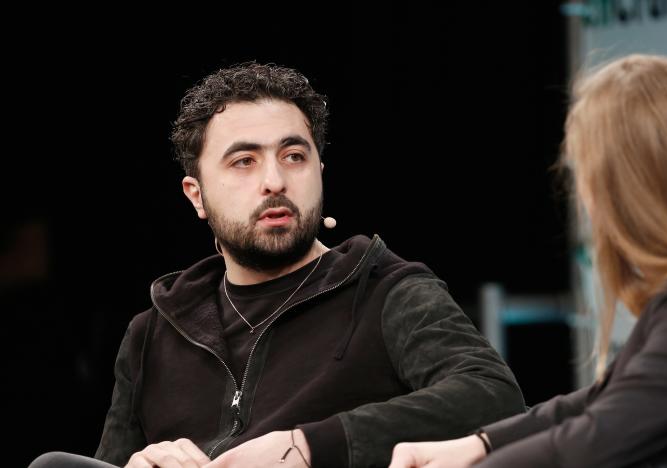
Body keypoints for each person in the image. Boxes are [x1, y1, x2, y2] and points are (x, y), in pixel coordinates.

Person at [31, 62, 525, 468]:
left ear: (319, 172)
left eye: (294, 156)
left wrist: (307, 447)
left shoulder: (386, 290)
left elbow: (492, 396)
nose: (274, 180)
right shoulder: (152, 334)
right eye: (243, 161)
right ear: (196, 195)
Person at [388, 54, 667, 468]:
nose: (584, 198)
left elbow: (592, 440)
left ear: (635, 188)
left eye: (588, 174)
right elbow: (596, 401)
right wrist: (475, 444)